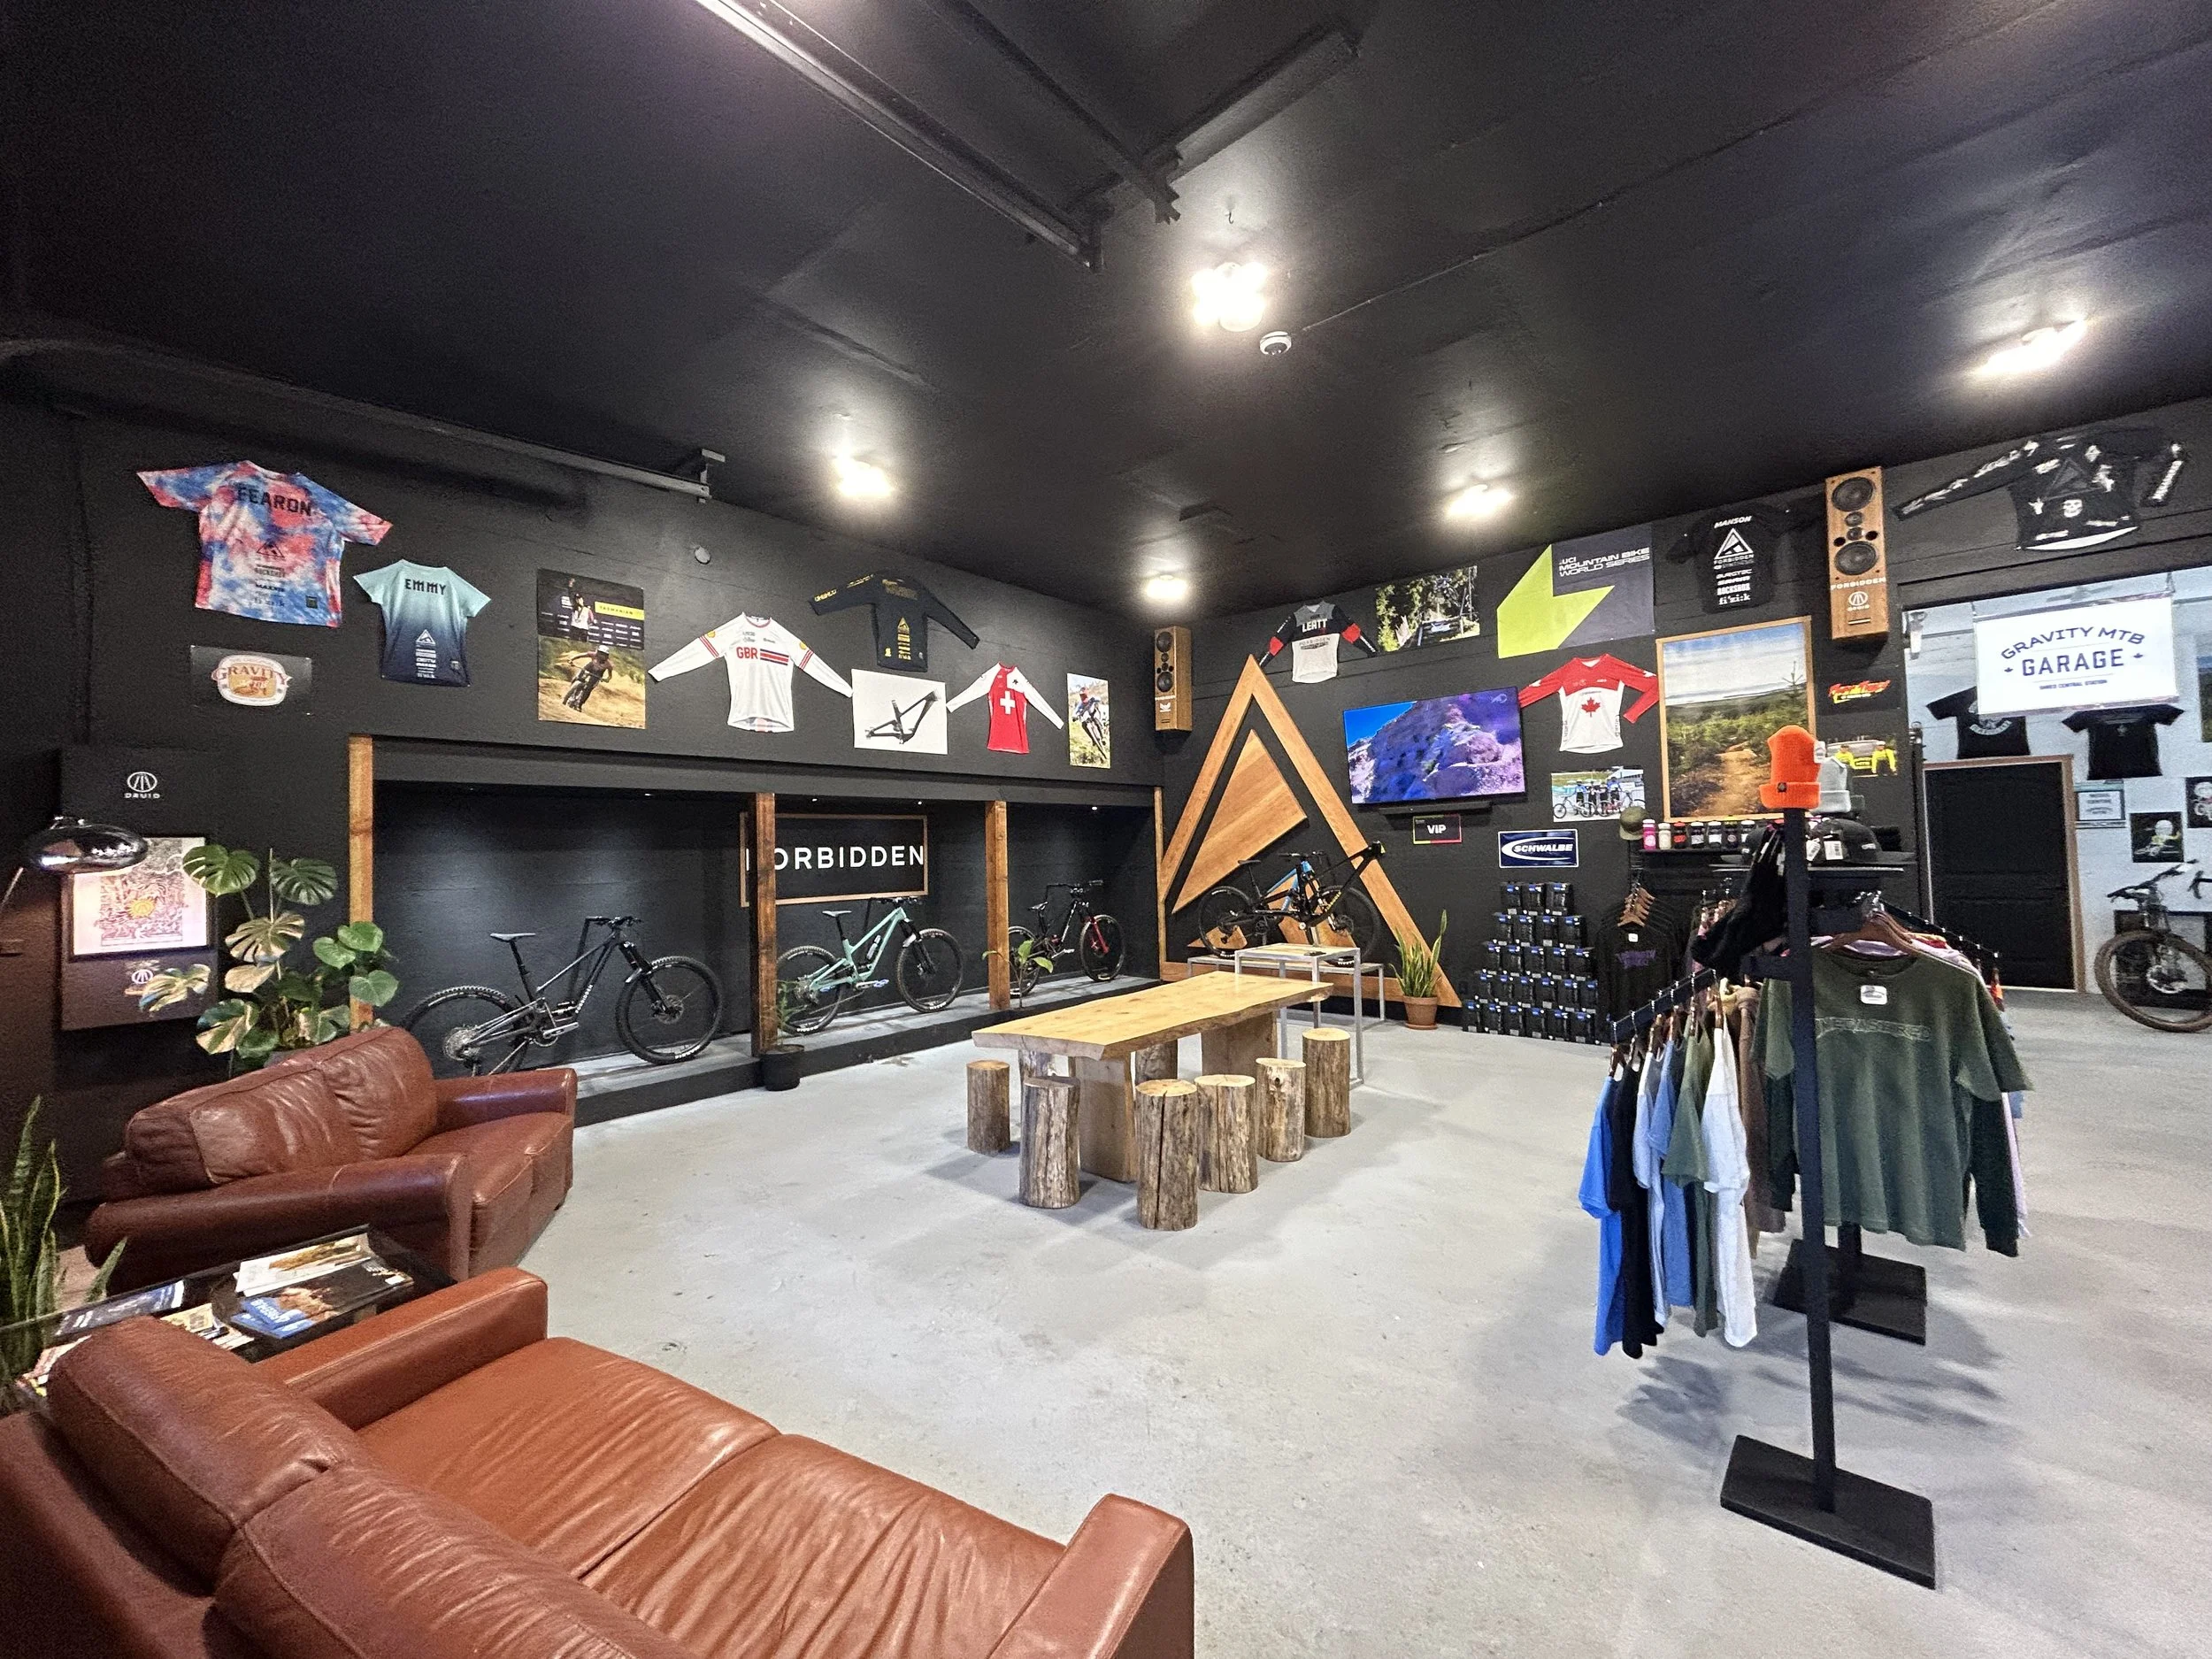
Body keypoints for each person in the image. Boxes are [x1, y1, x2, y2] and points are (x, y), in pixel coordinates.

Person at [559, 644, 612, 710]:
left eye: (603, 654)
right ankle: (570, 691)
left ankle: (579, 704)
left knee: (589, 688)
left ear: (606, 656)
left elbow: (610, 675)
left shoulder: (609, 664)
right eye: (600, 653)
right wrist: (572, 659)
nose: (601, 656)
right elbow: (581, 655)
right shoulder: (593, 654)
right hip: (590, 667)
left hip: (598, 674)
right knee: (578, 677)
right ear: (597, 652)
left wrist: (607, 679)